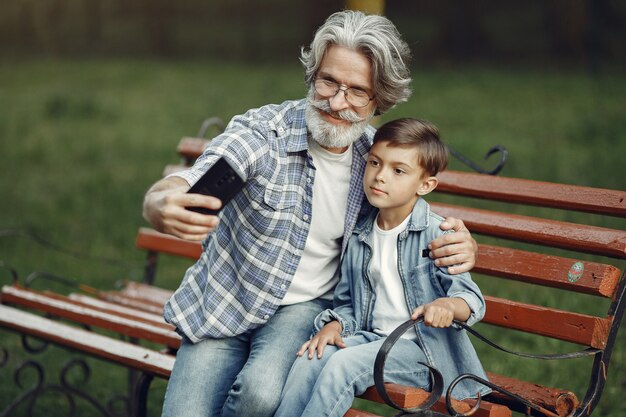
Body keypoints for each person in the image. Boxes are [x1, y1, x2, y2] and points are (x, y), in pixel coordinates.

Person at [142, 10, 478, 417]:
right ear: (312, 75)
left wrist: (461, 243)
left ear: (379, 100)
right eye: (329, 81)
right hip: (228, 300)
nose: (337, 102)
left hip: (304, 308)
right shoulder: (265, 135)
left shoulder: (373, 159)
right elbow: (200, 178)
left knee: (260, 395)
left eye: (357, 92)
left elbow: (411, 212)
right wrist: (161, 200)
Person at [274, 118, 490, 417]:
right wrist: (336, 325)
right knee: (312, 355)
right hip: (373, 340)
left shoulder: (438, 234)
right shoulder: (361, 234)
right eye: (375, 163)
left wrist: (447, 306)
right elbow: (350, 303)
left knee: (342, 365)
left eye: (398, 171)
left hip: (424, 353)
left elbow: (472, 300)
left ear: (426, 185)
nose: (380, 177)